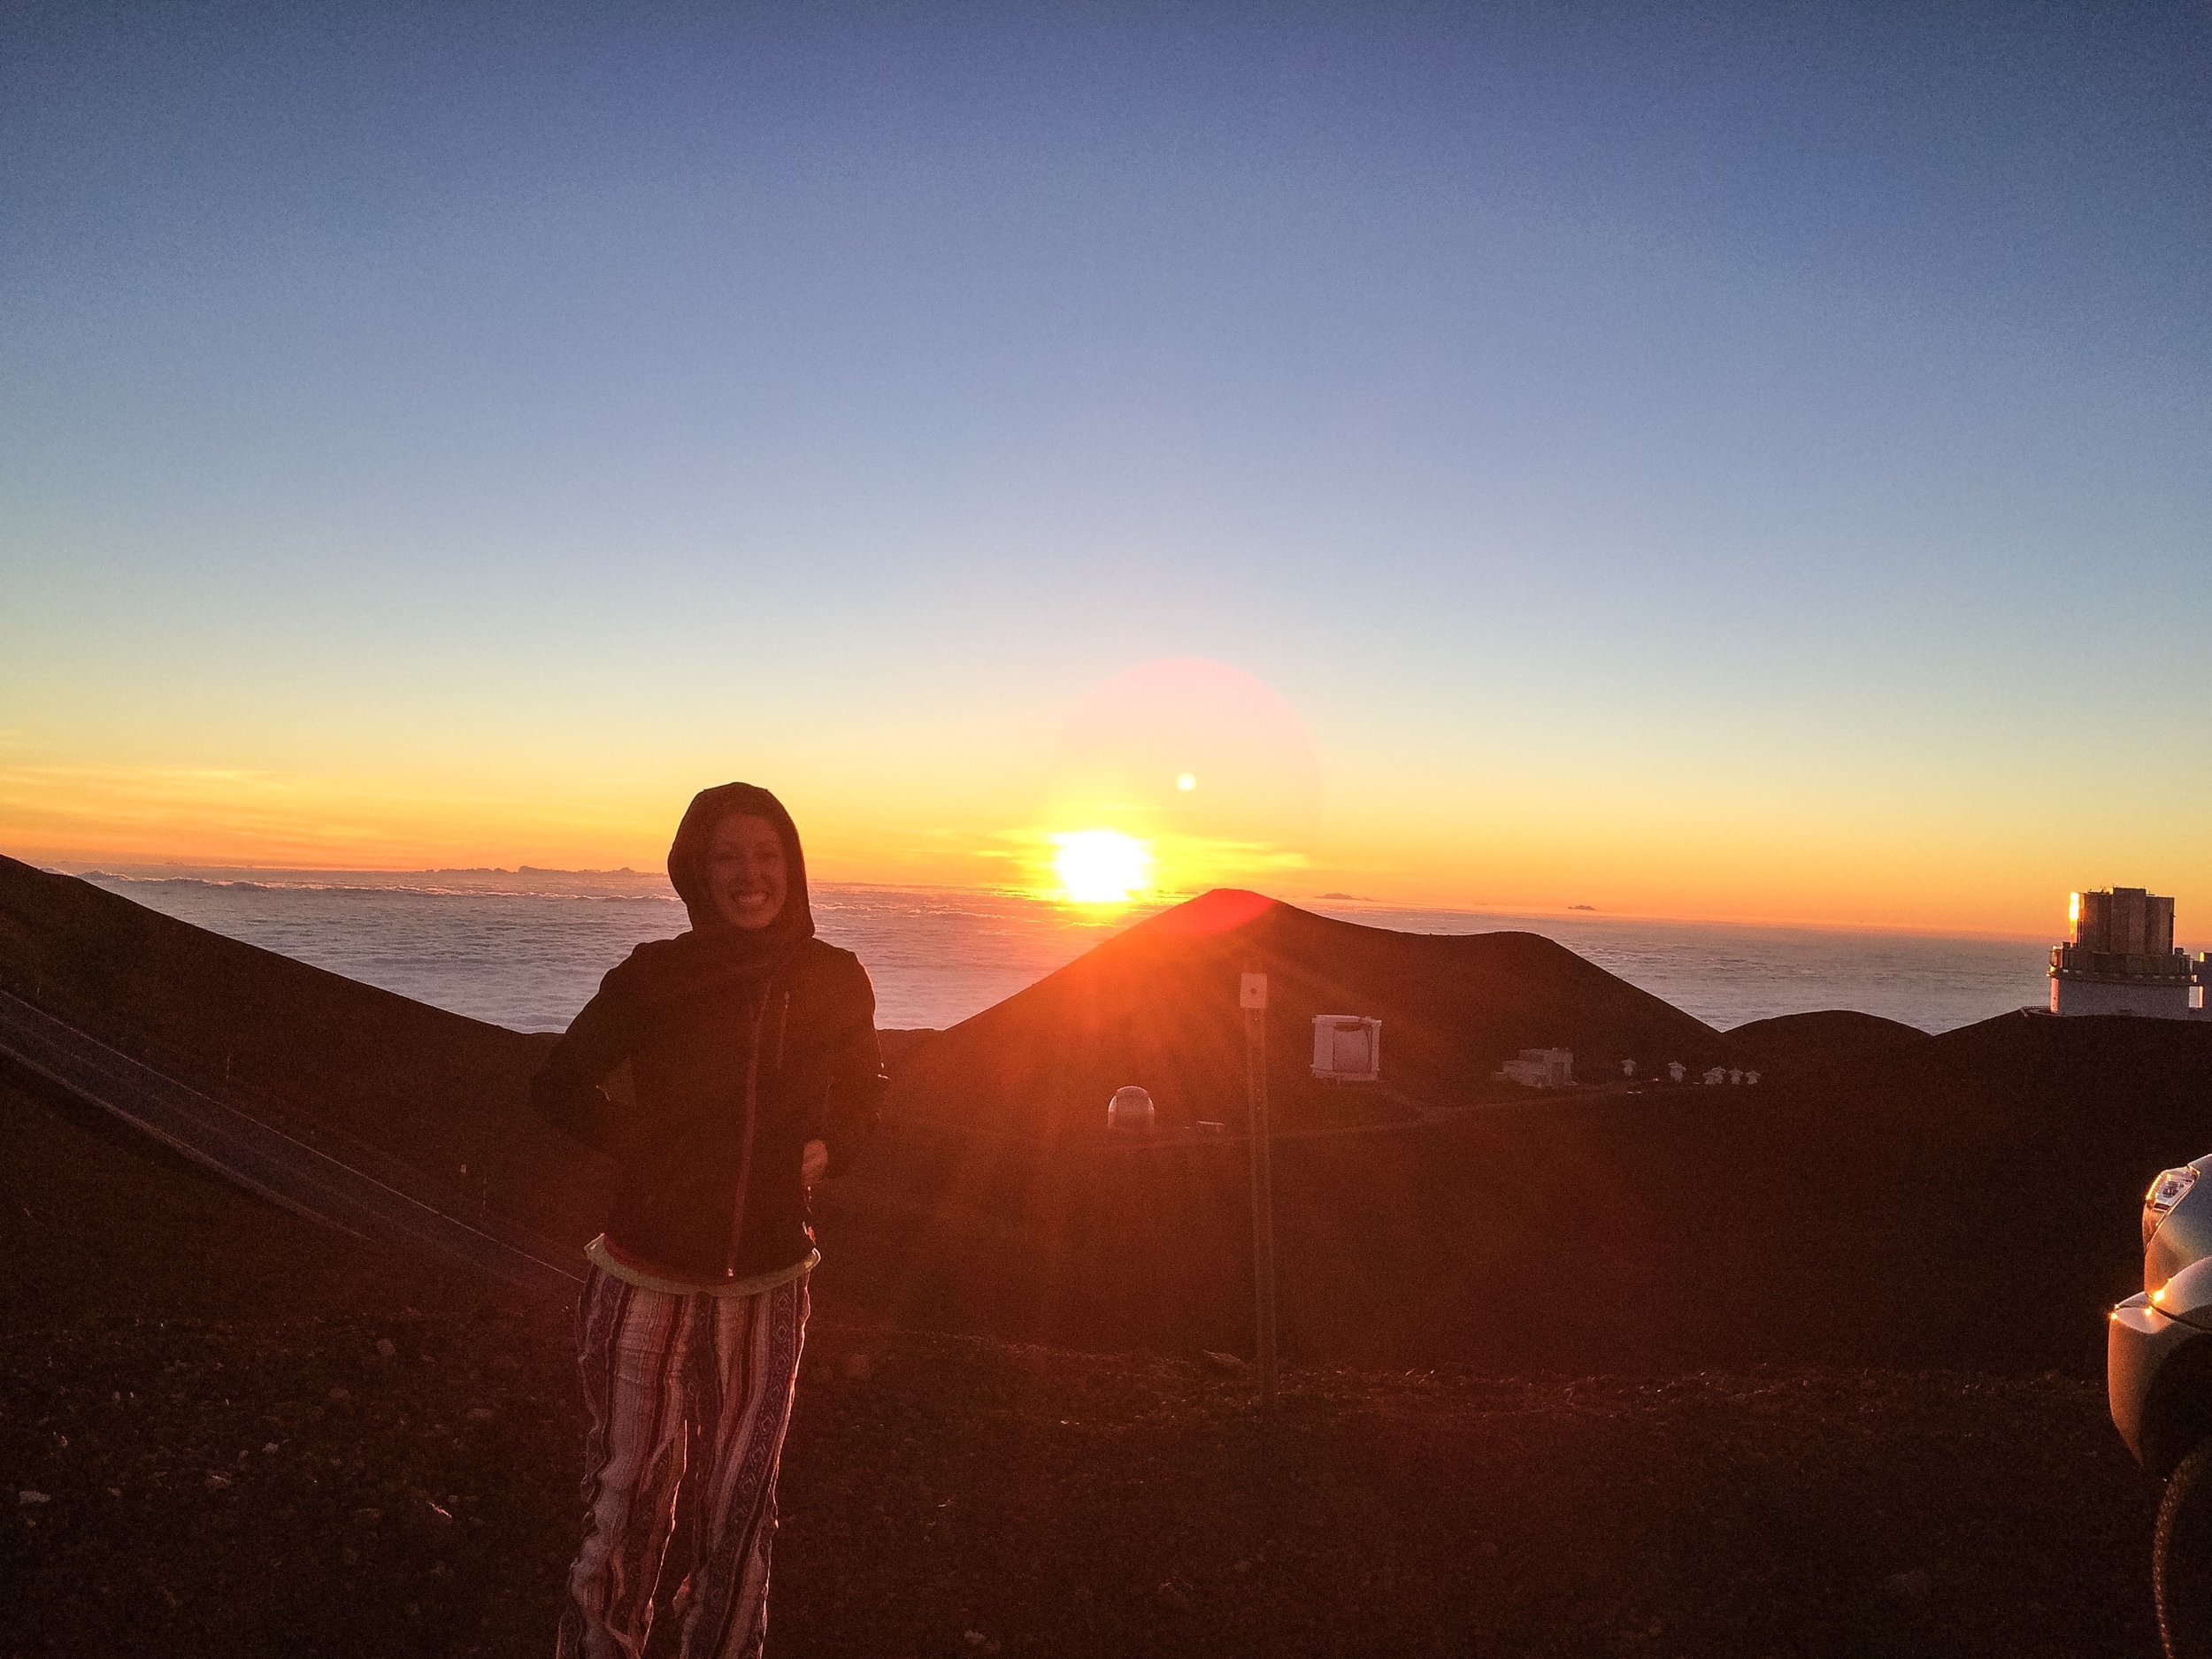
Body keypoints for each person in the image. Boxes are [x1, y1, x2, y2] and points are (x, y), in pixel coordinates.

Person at [533, 782, 883, 1659]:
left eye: (766, 856)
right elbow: (559, 1084)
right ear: (695, 870)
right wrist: (640, 1142)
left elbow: (866, 1090)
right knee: (623, 1495)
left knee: (740, 1507)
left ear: (793, 867)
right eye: (726, 857)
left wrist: (834, 1144)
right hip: (642, 1275)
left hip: (767, 1284)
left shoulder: (834, 978)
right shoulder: (653, 973)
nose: (748, 875)